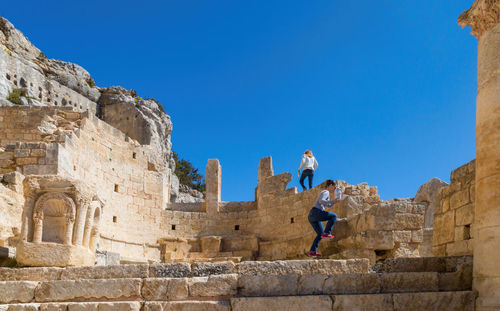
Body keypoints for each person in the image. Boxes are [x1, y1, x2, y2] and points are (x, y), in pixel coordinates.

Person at [307, 179, 338, 257]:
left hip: (311, 215)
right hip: (316, 212)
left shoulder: (326, 194)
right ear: (331, 185)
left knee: (320, 234)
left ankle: (312, 251)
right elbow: (321, 201)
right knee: (334, 216)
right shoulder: (326, 192)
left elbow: (328, 204)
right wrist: (331, 201)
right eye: (335, 187)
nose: (334, 190)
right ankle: (327, 232)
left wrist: (334, 202)